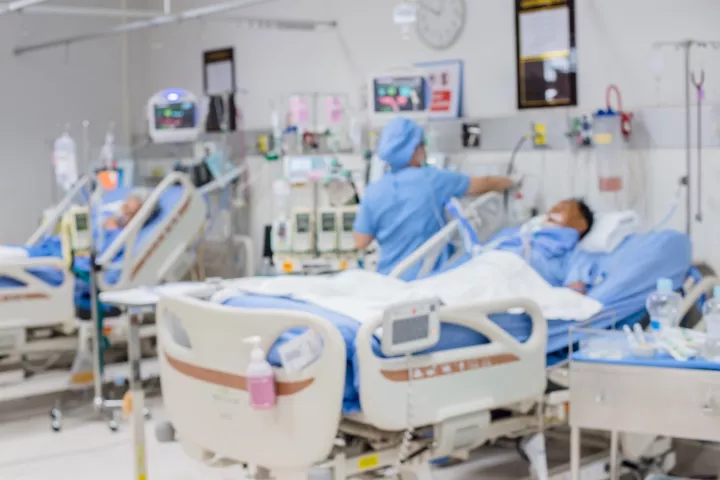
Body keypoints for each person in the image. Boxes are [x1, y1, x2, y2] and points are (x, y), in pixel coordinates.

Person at [353, 117, 514, 280]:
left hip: (390, 279)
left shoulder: (374, 191)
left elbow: (361, 241)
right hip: (429, 280)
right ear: (414, 150)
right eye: (422, 145)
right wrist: (512, 181)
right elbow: (484, 183)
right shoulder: (433, 180)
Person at [486, 198, 595, 292]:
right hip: (485, 273)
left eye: (563, 209)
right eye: (553, 208)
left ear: (581, 224)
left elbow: (575, 295)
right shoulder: (519, 235)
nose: (553, 210)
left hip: (510, 294)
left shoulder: (576, 257)